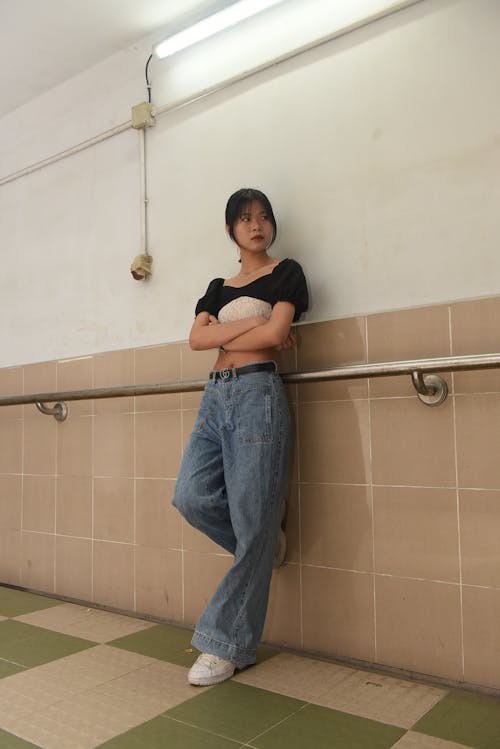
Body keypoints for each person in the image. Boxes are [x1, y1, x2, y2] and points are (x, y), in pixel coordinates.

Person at [172, 187, 308, 686]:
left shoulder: (287, 272)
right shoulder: (216, 286)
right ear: (231, 229)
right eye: (246, 218)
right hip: (215, 396)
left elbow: (277, 337)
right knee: (189, 496)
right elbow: (195, 340)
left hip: (257, 396)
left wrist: (240, 331)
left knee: (252, 522)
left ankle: (225, 644)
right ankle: (263, 544)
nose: (257, 225)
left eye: (264, 217)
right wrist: (255, 319)